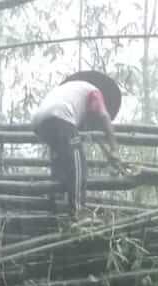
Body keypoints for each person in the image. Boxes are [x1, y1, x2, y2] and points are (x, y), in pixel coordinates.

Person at [31, 70, 122, 216]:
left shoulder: (68, 92)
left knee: (61, 165)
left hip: (39, 123)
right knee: (79, 166)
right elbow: (104, 116)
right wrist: (114, 149)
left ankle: (55, 208)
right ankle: (78, 213)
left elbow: (81, 127)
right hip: (60, 116)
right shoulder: (95, 92)